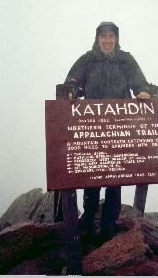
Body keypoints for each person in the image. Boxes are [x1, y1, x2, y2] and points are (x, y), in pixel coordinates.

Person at [64, 21, 151, 241]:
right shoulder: (88, 59)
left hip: (119, 128)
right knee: (91, 173)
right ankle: (89, 217)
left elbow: (139, 81)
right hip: (92, 127)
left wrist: (142, 91)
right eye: (103, 36)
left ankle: (108, 225)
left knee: (115, 176)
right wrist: (72, 89)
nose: (107, 40)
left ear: (116, 39)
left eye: (111, 36)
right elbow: (73, 79)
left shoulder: (125, 59)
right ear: (97, 38)